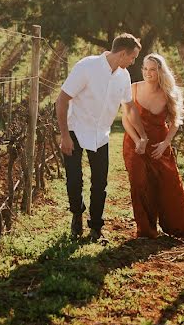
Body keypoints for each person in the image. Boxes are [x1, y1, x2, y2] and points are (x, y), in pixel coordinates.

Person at [57, 34, 146, 242]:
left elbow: (130, 107)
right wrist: (64, 135)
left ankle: (96, 227)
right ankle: (77, 214)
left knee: (100, 183)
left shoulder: (123, 76)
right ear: (123, 53)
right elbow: (62, 100)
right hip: (75, 130)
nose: (133, 62)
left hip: (101, 134)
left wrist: (142, 134)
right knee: (74, 179)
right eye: (132, 57)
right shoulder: (86, 67)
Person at [122, 53, 184, 239]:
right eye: (145, 69)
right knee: (139, 183)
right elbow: (126, 120)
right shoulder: (133, 88)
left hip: (159, 144)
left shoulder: (170, 93)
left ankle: (177, 228)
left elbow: (176, 122)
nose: (148, 73)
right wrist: (138, 141)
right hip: (134, 143)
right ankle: (146, 230)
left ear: (160, 71)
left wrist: (165, 144)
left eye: (152, 69)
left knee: (169, 185)